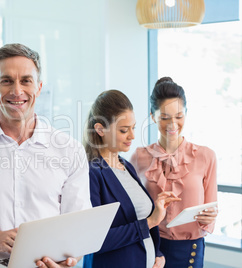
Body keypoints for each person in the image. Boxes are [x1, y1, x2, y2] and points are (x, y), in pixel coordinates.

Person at [0, 43, 91, 268]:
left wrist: (68, 260)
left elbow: (80, 226)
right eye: (6, 81)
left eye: (25, 80)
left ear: (39, 87)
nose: (17, 91)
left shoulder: (69, 150)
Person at [82, 90, 181, 268]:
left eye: (133, 128)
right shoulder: (91, 173)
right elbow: (95, 240)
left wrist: (157, 255)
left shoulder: (126, 166)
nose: (132, 136)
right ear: (100, 129)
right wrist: (151, 221)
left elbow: (138, 223)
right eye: (123, 130)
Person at [130, 77, 218, 268]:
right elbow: (132, 209)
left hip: (190, 250)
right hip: (152, 247)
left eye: (179, 116)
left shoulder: (206, 156)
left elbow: (212, 207)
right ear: (153, 116)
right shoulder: (139, 157)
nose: (173, 124)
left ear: (186, 113)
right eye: (165, 117)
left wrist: (210, 217)